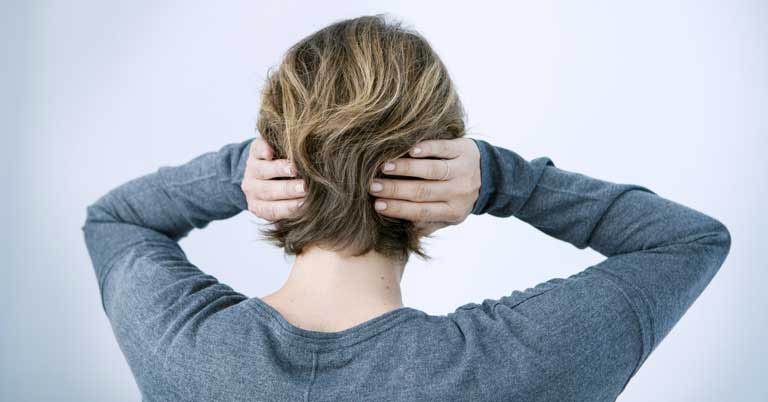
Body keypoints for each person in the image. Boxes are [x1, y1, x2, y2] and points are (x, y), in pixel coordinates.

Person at [83, 15, 731, 402]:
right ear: (438, 176)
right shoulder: (506, 371)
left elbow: (115, 220)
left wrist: (236, 172)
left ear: (279, 159)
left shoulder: (186, 353)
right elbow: (687, 241)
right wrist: (503, 179)